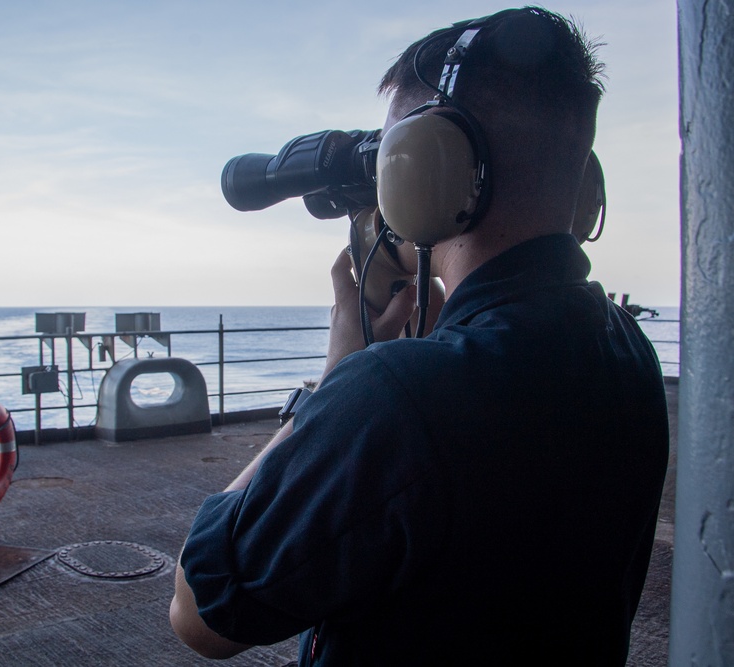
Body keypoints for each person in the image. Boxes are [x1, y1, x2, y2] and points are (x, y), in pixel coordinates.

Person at [170, 7, 669, 665]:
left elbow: (202, 610)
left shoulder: (400, 396)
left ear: (424, 167)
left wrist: (338, 377)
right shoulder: (627, 350)